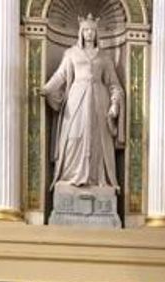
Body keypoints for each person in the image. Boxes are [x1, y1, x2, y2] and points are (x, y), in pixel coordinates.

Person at [41, 14, 123, 189]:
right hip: (76, 98)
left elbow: (114, 84)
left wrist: (115, 103)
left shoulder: (105, 57)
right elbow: (61, 75)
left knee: (97, 138)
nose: (89, 34)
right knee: (73, 137)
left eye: (92, 30)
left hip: (99, 100)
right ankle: (70, 174)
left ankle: (96, 178)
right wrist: (47, 88)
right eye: (86, 30)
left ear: (97, 33)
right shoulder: (71, 53)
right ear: (80, 32)